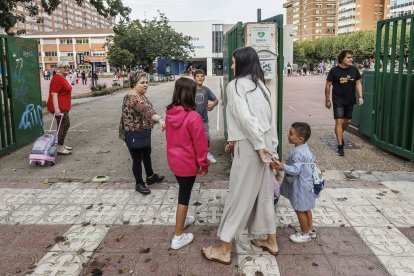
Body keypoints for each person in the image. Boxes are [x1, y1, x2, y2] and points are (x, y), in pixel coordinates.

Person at [202, 46, 279, 265]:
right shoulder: (260, 86)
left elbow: (246, 119)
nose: (233, 65)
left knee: (239, 195)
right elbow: (269, 120)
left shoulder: (235, 85)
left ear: (243, 62)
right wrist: (270, 148)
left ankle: (224, 248)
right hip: (262, 144)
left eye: (235, 61)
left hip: (251, 146)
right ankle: (270, 239)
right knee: (263, 194)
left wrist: (258, 146)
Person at [165, 77, 209, 250]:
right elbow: (201, 144)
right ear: (190, 94)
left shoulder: (169, 113)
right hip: (187, 164)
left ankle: (183, 220)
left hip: (174, 162)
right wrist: (203, 164)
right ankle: (178, 236)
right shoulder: (193, 117)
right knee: (183, 197)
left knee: (184, 193)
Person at [119, 72, 165, 195]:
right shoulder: (132, 98)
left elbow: (150, 109)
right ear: (134, 84)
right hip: (133, 134)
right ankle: (139, 183)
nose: (146, 85)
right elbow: (146, 111)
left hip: (144, 132)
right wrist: (160, 120)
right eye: (142, 82)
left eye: (147, 82)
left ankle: (150, 177)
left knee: (146, 155)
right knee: (137, 159)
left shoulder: (141, 95)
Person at [273, 122, 317, 243]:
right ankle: (310, 229)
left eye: (291, 134)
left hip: (301, 186)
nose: (288, 135)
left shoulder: (297, 152)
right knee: (307, 208)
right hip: (308, 184)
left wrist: (283, 166)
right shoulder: (305, 148)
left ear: (300, 139)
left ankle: (304, 233)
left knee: (299, 210)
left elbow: (295, 170)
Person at [325, 49, 364, 156]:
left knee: (348, 121)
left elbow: (358, 83)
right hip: (338, 100)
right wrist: (327, 100)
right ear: (342, 58)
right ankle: (340, 146)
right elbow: (328, 85)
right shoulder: (334, 71)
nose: (350, 59)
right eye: (348, 57)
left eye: (351, 57)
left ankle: (339, 133)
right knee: (339, 122)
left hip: (350, 99)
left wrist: (360, 96)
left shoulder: (354, 70)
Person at [47, 61, 73, 155]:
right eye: (64, 67)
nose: (67, 68)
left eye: (68, 67)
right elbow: (54, 94)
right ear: (59, 68)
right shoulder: (57, 78)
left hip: (64, 106)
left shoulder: (63, 78)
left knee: (63, 125)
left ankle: (60, 145)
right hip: (58, 107)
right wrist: (56, 108)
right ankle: (60, 147)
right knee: (64, 125)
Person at [193, 69, 219, 163]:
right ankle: (194, 155)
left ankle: (207, 153)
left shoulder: (206, 90)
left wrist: (212, 105)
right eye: (197, 76)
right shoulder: (191, 89)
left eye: (201, 76)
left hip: (204, 119)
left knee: (206, 137)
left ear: (204, 77)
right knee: (193, 138)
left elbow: (216, 100)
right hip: (192, 121)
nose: (200, 78)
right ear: (194, 78)